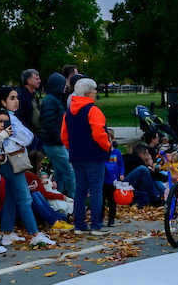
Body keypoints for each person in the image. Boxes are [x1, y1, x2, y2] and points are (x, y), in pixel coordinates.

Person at [0, 95, 54, 247]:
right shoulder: (9, 118)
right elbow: (27, 138)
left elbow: (28, 137)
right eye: (11, 98)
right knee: (25, 198)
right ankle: (35, 234)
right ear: (3, 101)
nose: (17, 101)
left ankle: (7, 233)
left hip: (12, 160)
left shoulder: (12, 117)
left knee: (11, 198)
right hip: (11, 161)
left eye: (17, 98)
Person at [62, 77, 111, 235]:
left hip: (77, 156)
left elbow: (64, 135)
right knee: (96, 190)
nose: (96, 92)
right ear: (88, 92)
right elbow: (99, 134)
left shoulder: (68, 112)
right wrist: (107, 147)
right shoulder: (92, 110)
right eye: (94, 89)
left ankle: (79, 225)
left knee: (80, 190)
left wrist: (73, 148)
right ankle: (96, 225)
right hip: (94, 155)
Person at [38, 72, 77, 197]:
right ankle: (74, 200)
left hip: (53, 142)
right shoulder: (51, 101)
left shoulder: (53, 100)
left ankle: (59, 197)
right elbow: (49, 124)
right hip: (54, 143)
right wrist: (60, 140)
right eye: (63, 85)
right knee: (69, 171)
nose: (65, 87)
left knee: (59, 173)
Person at [100, 128, 125, 228]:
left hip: (113, 181)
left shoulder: (117, 153)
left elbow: (121, 165)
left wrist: (121, 174)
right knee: (101, 202)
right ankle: (100, 218)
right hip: (103, 180)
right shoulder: (102, 153)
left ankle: (111, 219)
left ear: (113, 139)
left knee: (112, 202)